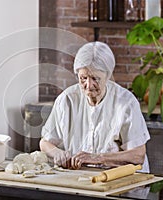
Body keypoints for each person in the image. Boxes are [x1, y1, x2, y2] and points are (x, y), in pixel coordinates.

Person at [39, 41, 150, 172]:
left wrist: (98, 158)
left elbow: (138, 155)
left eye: (95, 78)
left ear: (107, 76)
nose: (88, 85)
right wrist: (58, 153)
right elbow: (45, 143)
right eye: (83, 78)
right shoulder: (67, 99)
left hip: (122, 181)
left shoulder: (126, 102)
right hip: (81, 179)